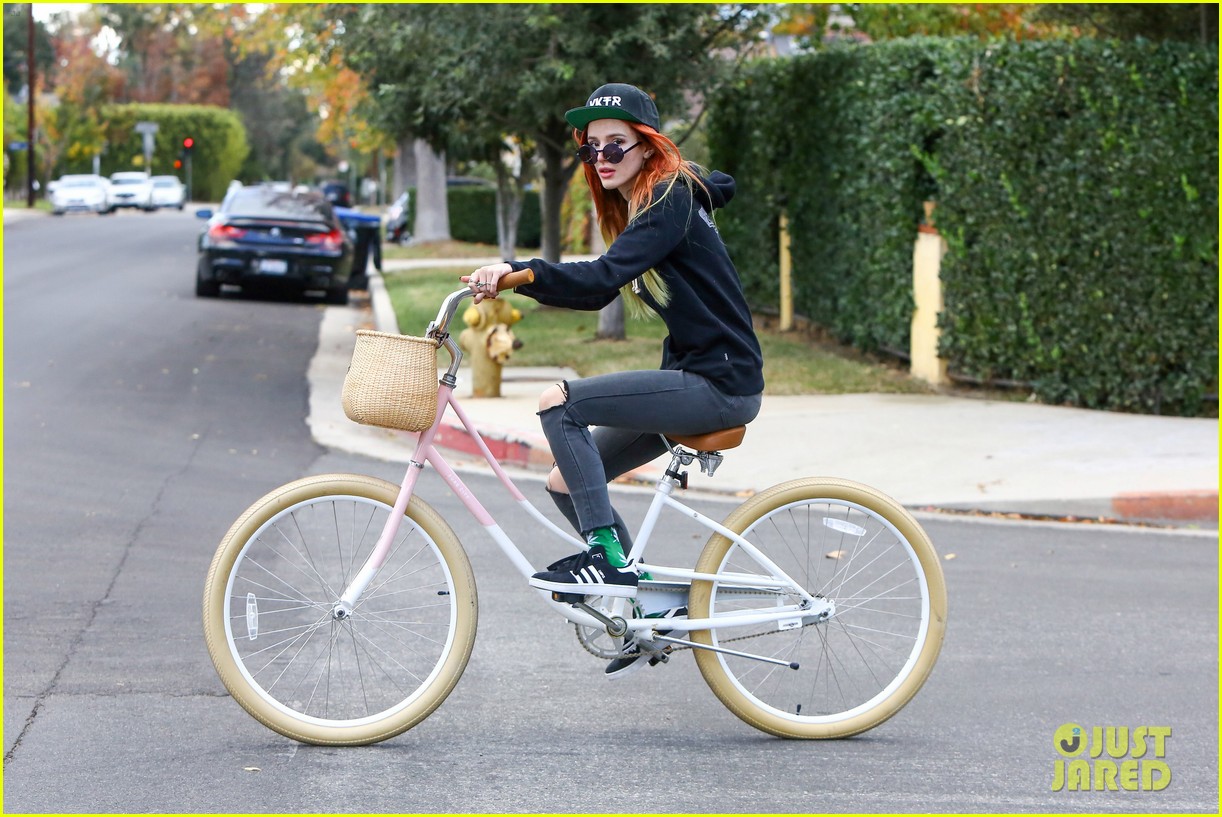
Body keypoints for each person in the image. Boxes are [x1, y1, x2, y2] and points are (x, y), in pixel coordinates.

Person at [463, 83, 764, 675]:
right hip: (693, 378)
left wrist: (521, 273)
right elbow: (604, 278)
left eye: (615, 146)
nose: (601, 159)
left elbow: (602, 280)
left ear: (648, 147)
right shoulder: (651, 201)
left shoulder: (670, 194)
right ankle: (640, 607)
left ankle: (608, 562)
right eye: (590, 149)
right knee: (563, 481)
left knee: (560, 403)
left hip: (719, 384)